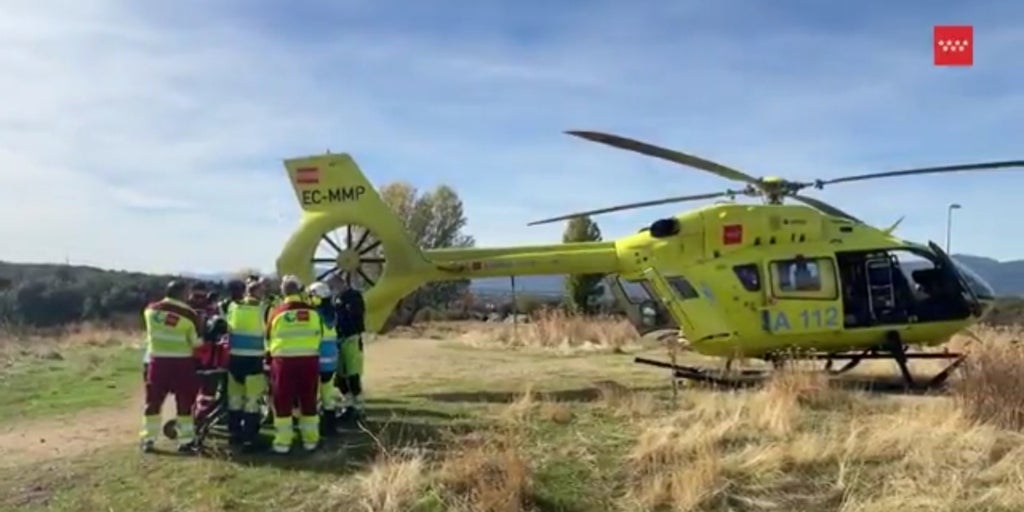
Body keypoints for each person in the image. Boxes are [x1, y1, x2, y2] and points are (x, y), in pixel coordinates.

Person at [140, 280, 203, 453]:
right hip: (181, 362)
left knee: (153, 401)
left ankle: (148, 439)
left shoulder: (150, 310)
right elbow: (196, 343)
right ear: (182, 293)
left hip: (157, 361)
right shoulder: (189, 314)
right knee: (184, 402)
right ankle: (185, 441)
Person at [265, 275, 324, 454]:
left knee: (282, 401)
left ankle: (283, 442)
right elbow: (319, 336)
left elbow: (268, 338)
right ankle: (310, 440)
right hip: (309, 361)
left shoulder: (276, 312)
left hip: (283, 363)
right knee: (309, 399)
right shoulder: (313, 312)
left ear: (283, 291)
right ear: (300, 291)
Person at [224, 281, 268, 447]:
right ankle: (249, 437)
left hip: (234, 359)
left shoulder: (233, 306)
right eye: (262, 290)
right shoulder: (262, 309)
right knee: (252, 400)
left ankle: (233, 434)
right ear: (257, 292)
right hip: (254, 360)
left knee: (235, 399)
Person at [307, 281, 340, 436]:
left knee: (313, 395)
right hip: (331, 361)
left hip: (317, 360)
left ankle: (314, 428)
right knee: (328, 395)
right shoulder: (332, 313)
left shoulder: (315, 315)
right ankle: (330, 427)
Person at [332, 278, 366, 421]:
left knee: (353, 375)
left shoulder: (354, 296)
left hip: (351, 337)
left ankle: (358, 408)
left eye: (336, 285)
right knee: (339, 376)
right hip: (338, 338)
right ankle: (348, 403)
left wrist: (342, 307)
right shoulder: (336, 298)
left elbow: (356, 314)